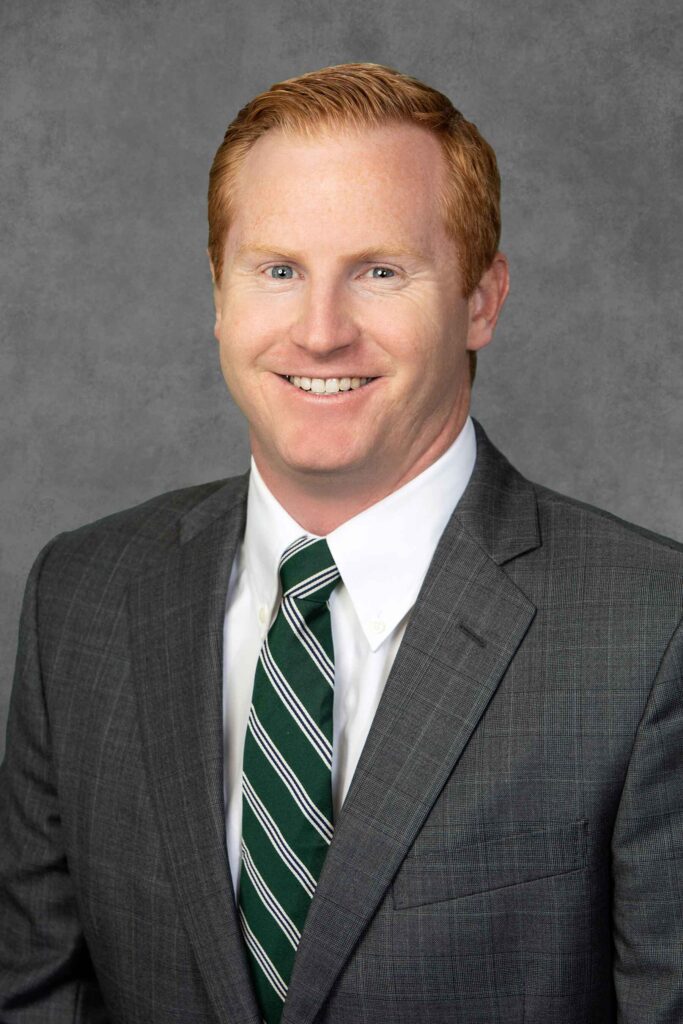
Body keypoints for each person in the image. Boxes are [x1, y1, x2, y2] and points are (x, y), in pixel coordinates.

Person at [1, 61, 681, 1024]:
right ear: (219, 293)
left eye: (379, 272)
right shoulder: (82, 596)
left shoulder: (651, 632)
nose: (320, 334)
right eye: (278, 271)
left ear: (481, 300)